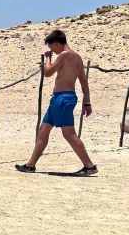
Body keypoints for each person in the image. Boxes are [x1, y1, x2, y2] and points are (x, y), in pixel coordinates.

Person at [16, 29, 97, 175]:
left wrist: (48, 58)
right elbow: (84, 83)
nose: (51, 50)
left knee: (69, 133)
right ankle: (30, 165)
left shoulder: (64, 55)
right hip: (62, 98)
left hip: (62, 99)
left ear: (56, 44)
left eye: (51, 47)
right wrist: (87, 103)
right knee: (44, 130)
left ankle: (89, 166)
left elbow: (47, 73)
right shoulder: (77, 58)